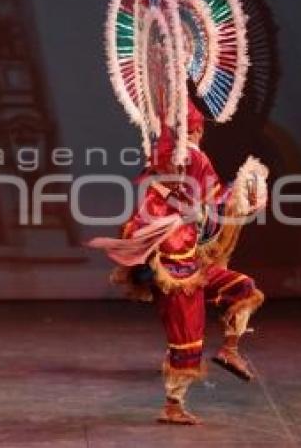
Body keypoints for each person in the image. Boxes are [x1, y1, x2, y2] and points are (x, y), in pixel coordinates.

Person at [91, 101, 266, 425]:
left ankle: (229, 349)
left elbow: (192, 207)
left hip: (181, 262)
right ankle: (173, 405)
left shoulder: (159, 157)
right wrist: (244, 193)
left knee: (241, 288)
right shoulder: (194, 156)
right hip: (176, 266)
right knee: (187, 338)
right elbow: (217, 201)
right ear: (197, 129)